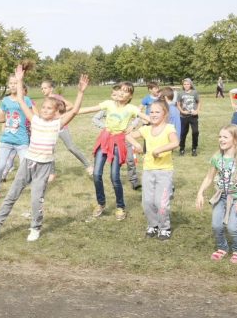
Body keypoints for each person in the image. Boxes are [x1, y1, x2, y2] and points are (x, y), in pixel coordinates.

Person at [0, 67, 88, 242]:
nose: (45, 110)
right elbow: (20, 100)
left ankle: (35, 227)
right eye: (44, 107)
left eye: (50, 108)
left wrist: (80, 92)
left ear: (56, 112)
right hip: (28, 162)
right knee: (12, 194)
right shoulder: (34, 119)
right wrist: (19, 80)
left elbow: (75, 110)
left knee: (36, 199)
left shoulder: (57, 124)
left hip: (44, 166)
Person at [77, 83, 140, 220]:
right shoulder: (109, 104)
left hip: (118, 143)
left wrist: (133, 126)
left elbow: (142, 116)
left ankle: (120, 206)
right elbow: (88, 110)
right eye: (121, 90)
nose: (122, 93)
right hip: (104, 140)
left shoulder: (131, 108)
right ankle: (101, 203)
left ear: (130, 96)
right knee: (96, 173)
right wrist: (72, 110)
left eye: (126, 91)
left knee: (114, 177)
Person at [195, 125, 237, 263]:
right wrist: (200, 193)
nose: (221, 140)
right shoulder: (217, 158)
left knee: (232, 227)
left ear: (235, 139)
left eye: (225, 137)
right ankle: (222, 248)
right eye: (220, 137)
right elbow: (209, 178)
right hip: (220, 197)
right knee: (216, 225)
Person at [127, 100, 178, 240]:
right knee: (147, 201)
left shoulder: (169, 128)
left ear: (165, 114)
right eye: (151, 112)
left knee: (161, 202)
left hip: (164, 171)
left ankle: (164, 227)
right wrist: (136, 144)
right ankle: (153, 224)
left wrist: (159, 150)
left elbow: (175, 142)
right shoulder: (146, 129)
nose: (154, 114)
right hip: (148, 170)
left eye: (157, 112)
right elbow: (127, 135)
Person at [0, 74, 33, 202]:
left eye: (15, 83)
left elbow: (31, 117)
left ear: (20, 85)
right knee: (0, 166)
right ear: (8, 86)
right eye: (11, 83)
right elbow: (2, 118)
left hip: (22, 141)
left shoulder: (26, 100)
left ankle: (33, 188)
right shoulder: (5, 100)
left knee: (26, 166)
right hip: (6, 140)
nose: (13, 85)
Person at [36, 80, 91, 176]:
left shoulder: (56, 97)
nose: (43, 90)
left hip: (61, 126)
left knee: (70, 147)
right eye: (41, 88)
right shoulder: (46, 99)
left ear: (51, 88)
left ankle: (88, 165)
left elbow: (70, 105)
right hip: (50, 128)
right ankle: (51, 173)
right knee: (50, 149)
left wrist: (60, 115)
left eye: (45, 88)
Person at [176, 78, 200, 156]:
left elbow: (199, 102)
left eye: (188, 84)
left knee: (195, 132)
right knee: (183, 133)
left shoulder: (194, 92)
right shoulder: (180, 93)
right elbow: (178, 104)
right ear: (183, 85)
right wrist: (182, 111)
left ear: (191, 84)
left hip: (193, 116)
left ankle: (194, 148)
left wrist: (197, 111)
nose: (186, 86)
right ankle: (182, 149)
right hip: (183, 116)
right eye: (185, 84)